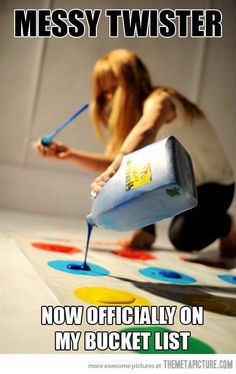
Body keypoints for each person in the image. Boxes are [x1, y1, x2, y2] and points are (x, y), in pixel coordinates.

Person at [37, 49, 236, 258]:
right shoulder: (133, 119)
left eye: (114, 88)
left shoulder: (161, 100)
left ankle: (227, 225)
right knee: (133, 170)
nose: (109, 98)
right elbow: (113, 161)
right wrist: (70, 154)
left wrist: (112, 171)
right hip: (181, 184)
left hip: (216, 187)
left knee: (183, 239)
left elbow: (147, 130)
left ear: (134, 82)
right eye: (103, 93)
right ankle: (146, 231)